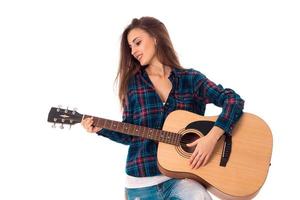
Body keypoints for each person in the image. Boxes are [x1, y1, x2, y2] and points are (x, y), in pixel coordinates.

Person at [82, 16, 244, 200]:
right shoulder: (132, 86)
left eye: (137, 42)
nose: (133, 51)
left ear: (156, 38)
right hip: (140, 183)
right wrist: (102, 128)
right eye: (130, 47)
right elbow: (130, 134)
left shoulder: (190, 79)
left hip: (182, 179)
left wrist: (212, 138)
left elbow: (233, 101)